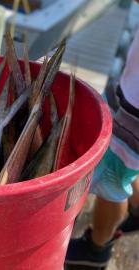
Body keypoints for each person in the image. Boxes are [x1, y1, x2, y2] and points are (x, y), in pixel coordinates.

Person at [65, 4, 139, 268]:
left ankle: (96, 249)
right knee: (129, 165)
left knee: (112, 181)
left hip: (136, 102)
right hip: (130, 85)